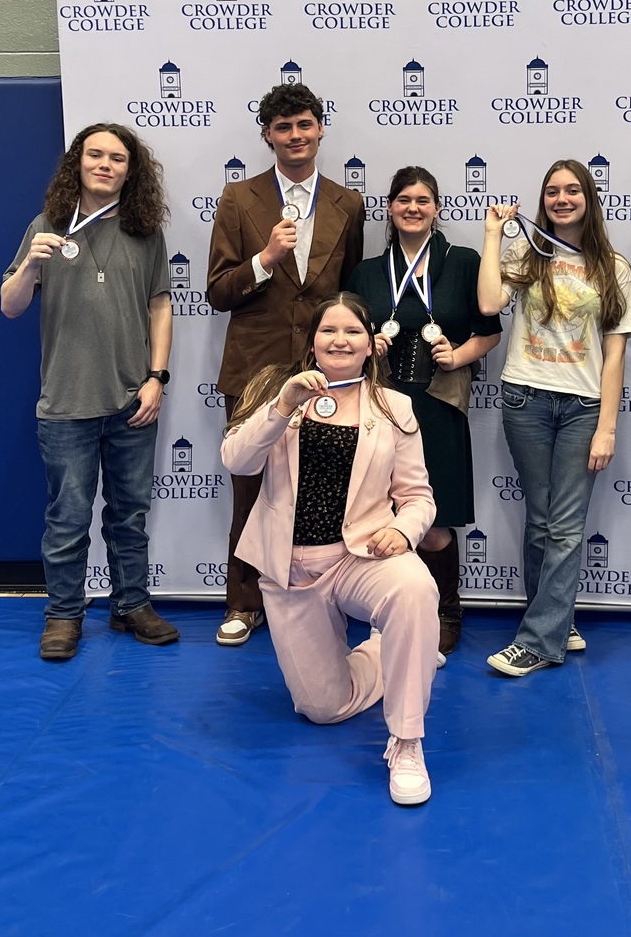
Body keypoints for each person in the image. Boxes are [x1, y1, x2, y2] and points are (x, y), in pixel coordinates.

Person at [220, 293, 440, 805]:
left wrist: (405, 532)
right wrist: (282, 405)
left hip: (362, 558)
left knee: (414, 589)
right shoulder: (280, 392)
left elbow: (418, 497)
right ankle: (401, 650)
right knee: (324, 708)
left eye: (352, 332)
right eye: (328, 331)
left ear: (371, 345)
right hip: (292, 567)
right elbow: (237, 460)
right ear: (312, 342)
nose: (340, 340)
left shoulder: (395, 406)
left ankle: (406, 742)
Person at [1, 123, 178, 660]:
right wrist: (32, 262)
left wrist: (157, 377)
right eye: (95, 155)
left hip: (131, 400)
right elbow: (9, 305)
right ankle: (63, 616)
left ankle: (130, 606)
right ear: (77, 162)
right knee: (68, 516)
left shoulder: (145, 230)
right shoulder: (47, 225)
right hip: (65, 404)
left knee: (130, 514)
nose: (105, 164)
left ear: (131, 169)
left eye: (117, 158)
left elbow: (160, 306)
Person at [208, 82, 365, 648]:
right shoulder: (237, 199)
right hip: (254, 373)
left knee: (322, 490)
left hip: (325, 372)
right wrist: (265, 259)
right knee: (249, 489)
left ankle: (317, 599)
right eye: (283, 128)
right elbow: (218, 292)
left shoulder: (349, 203)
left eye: (304, 125)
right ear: (268, 136)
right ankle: (244, 602)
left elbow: (346, 297)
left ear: (321, 128)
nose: (295, 136)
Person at [477, 160, 631, 676]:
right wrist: (491, 235)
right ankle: (555, 617)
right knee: (541, 521)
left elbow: (615, 356)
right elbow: (488, 301)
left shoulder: (612, 266)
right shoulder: (528, 250)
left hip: (583, 407)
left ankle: (539, 640)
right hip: (525, 398)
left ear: (589, 198)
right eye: (552, 191)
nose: (562, 198)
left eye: (573, 190)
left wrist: (607, 427)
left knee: (566, 527)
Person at [348, 166, 502, 657]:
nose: (412, 208)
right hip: (381, 404)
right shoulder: (368, 272)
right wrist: (364, 343)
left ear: (437, 209)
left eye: (423, 200)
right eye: (403, 200)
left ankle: (445, 611)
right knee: (378, 512)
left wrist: (458, 355)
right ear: (389, 209)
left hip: (438, 404)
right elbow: (339, 333)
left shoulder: (461, 261)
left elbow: (491, 330)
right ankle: (385, 609)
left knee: (435, 520)